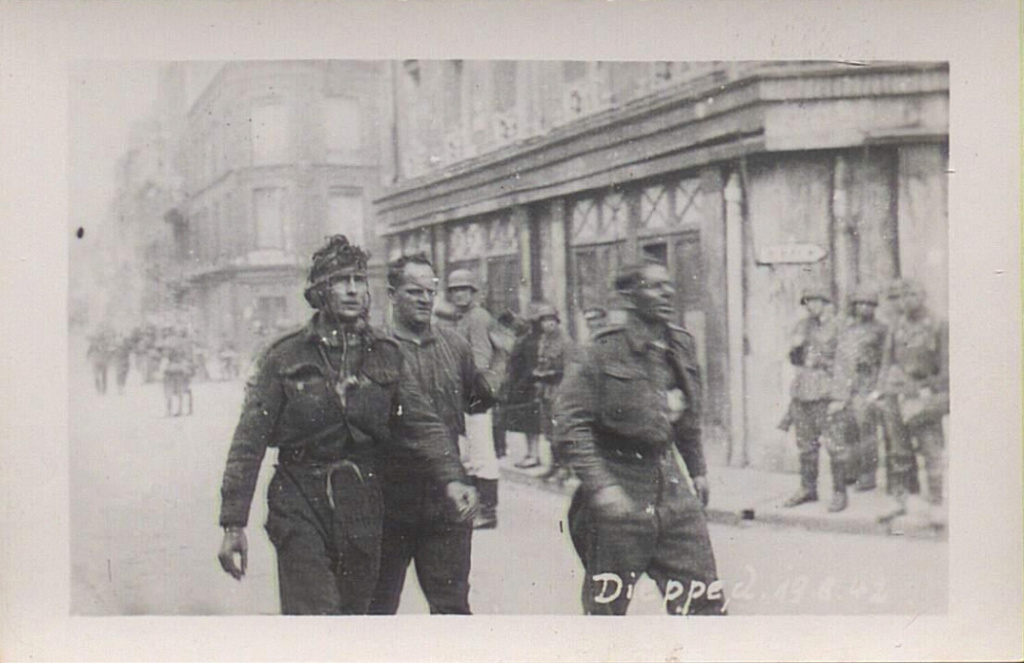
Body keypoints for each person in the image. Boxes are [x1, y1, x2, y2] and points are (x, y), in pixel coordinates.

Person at [216, 235, 454, 615]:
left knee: (354, 615)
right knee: (316, 615)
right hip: (299, 500)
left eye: (359, 281)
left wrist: (452, 477)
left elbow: (422, 421)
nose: (353, 290)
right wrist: (233, 523)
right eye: (342, 281)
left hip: (362, 502)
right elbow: (249, 442)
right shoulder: (286, 355)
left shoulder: (386, 353)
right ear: (320, 291)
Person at [554, 262, 726, 616]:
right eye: (654, 287)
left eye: (669, 286)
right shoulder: (600, 351)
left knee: (703, 597)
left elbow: (688, 415)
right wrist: (601, 487)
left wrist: (697, 469)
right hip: (618, 483)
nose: (667, 293)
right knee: (608, 607)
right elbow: (570, 424)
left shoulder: (679, 344)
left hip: (670, 483)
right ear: (629, 297)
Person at [369, 253, 500, 615]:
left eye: (430, 290)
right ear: (392, 294)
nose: (425, 299)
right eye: (414, 291)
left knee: (452, 606)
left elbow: (477, 401)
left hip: (445, 500)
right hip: (388, 499)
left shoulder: (454, 345)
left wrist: (498, 369)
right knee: (377, 607)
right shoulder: (374, 348)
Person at [874, 279, 949, 523]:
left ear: (924, 296)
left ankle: (937, 503)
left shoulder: (938, 325)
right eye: (904, 296)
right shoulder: (896, 326)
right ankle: (899, 499)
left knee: (931, 452)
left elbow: (947, 369)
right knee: (899, 452)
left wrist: (928, 391)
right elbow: (887, 362)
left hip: (923, 397)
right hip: (896, 396)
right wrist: (882, 390)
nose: (908, 300)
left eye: (913, 294)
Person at [446, 268, 509, 529]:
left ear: (474, 292)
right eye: (455, 290)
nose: (460, 294)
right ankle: (475, 507)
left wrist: (470, 383)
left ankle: (488, 511)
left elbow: (480, 357)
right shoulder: (462, 317)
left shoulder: (478, 317)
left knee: (482, 451)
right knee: (471, 451)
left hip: (477, 389)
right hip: (466, 389)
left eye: (465, 289)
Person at [783, 285, 845, 511]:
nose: (811, 305)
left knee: (835, 445)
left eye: (815, 300)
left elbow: (844, 363)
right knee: (806, 445)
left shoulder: (839, 326)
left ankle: (839, 492)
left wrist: (839, 396)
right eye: (807, 301)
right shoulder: (802, 326)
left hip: (827, 391)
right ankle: (808, 489)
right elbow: (795, 360)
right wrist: (795, 348)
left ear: (827, 302)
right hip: (803, 391)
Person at [826, 285, 888, 510]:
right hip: (848, 387)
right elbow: (841, 359)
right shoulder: (848, 329)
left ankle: (868, 474)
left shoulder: (881, 330)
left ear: (874, 307)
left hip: (867, 384)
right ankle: (851, 471)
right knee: (849, 429)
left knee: (867, 430)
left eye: (868, 304)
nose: (863, 308)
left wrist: (878, 389)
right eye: (860, 303)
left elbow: (885, 362)